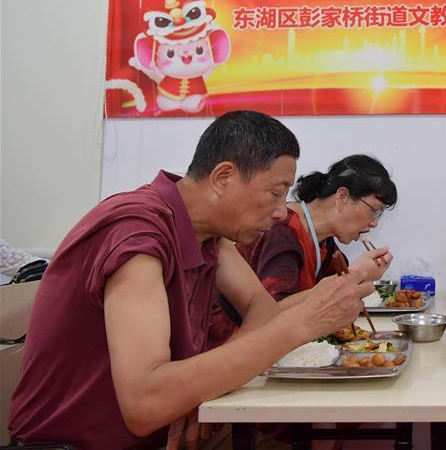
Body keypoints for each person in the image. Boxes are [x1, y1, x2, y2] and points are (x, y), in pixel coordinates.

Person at [8, 111, 390, 450]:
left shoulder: (208, 234)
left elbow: (261, 307)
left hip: (167, 432)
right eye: (275, 194)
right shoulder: (137, 233)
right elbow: (145, 403)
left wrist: (198, 387)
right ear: (223, 177)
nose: (280, 212)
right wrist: (303, 323)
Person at [208, 154, 397, 347]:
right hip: (231, 346)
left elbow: (336, 299)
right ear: (342, 197)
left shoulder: (325, 241)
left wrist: (358, 278)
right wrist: (357, 274)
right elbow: (273, 315)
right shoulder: (282, 231)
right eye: (374, 210)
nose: (374, 223)